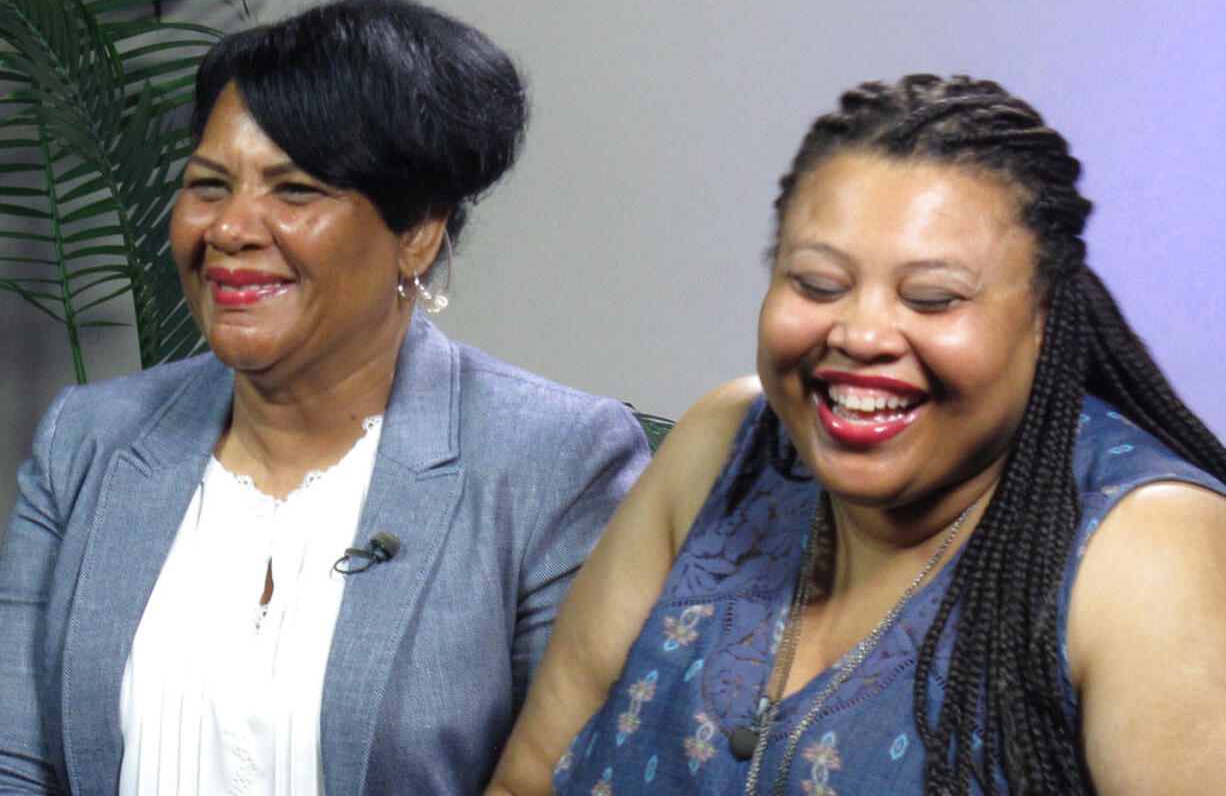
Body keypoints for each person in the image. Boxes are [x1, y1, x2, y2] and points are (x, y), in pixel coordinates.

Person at [485, 74, 1226, 796]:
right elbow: (527, 781)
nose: (863, 332)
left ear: (1046, 319)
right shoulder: (726, 442)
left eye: (932, 298)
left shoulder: (1144, 543)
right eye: (817, 283)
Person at [0, 0, 650, 795]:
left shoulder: (555, 461)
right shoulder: (89, 440)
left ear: (418, 231)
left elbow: (576, 777)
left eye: (295, 190)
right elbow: (15, 761)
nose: (231, 229)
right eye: (208, 186)